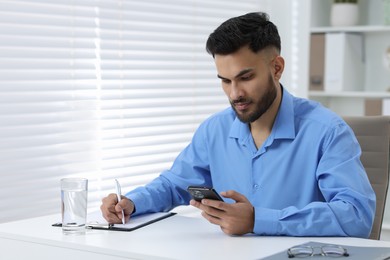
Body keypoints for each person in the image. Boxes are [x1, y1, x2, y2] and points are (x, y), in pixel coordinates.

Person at [100, 12, 375, 237]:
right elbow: (175, 184)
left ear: (276, 68)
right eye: (225, 80)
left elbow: (357, 216)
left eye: (245, 78)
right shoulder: (215, 130)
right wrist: (132, 203)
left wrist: (259, 220)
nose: (235, 94)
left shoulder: (327, 131)